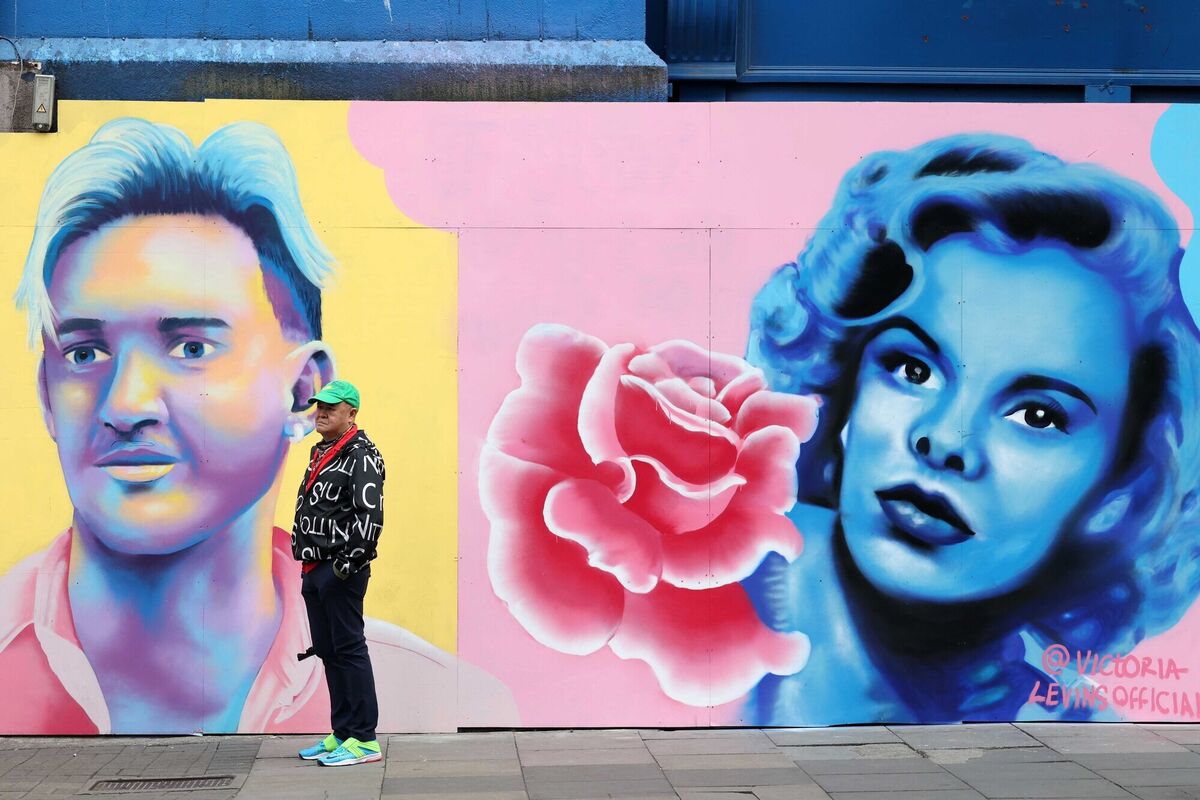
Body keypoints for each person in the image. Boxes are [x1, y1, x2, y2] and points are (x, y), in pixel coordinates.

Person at [0, 117, 514, 734]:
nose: (127, 403)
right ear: (48, 399)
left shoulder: (434, 694)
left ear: (302, 390)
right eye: (84, 353)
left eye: (191, 347)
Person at [743, 134, 1200, 724]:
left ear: (1122, 486)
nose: (946, 441)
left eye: (1038, 415)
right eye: (913, 369)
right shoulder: (702, 603)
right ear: (844, 385)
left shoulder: (1069, 728)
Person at [293, 380, 385, 766]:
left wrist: (344, 567)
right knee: (329, 651)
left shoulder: (361, 455)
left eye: (333, 406)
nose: (322, 412)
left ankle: (364, 739)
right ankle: (342, 731)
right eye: (319, 406)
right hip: (314, 568)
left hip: (339, 570)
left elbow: (371, 516)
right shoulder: (323, 453)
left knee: (349, 649)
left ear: (352, 413)